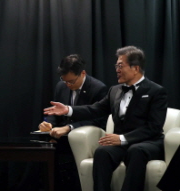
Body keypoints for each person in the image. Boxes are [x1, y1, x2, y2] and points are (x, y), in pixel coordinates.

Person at [44, 46, 168, 191]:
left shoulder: (156, 91)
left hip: (148, 142)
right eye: (116, 65)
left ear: (136, 68)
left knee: (136, 151)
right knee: (102, 152)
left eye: (120, 65)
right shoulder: (115, 90)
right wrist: (68, 110)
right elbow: (95, 109)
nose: (117, 69)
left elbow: (154, 127)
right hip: (122, 144)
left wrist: (122, 138)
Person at [38, 54, 107, 191]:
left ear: (83, 73)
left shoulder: (98, 89)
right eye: (65, 81)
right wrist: (48, 123)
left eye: (71, 81)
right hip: (60, 137)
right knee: (43, 149)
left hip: (84, 138)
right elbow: (55, 113)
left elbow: (98, 120)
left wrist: (69, 128)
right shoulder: (61, 86)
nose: (68, 85)